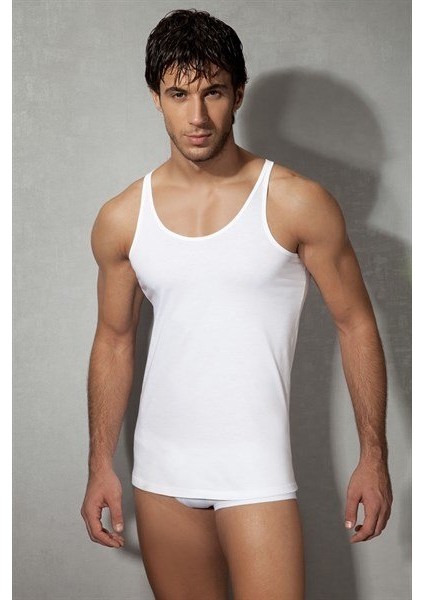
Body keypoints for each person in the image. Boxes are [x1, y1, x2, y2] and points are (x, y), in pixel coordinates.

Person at [80, 8, 393, 599]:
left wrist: (373, 456)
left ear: (239, 94)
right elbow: (113, 341)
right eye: (179, 95)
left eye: (214, 92)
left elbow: (356, 324)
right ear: (156, 99)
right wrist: (99, 465)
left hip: (256, 470)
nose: (197, 116)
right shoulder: (122, 218)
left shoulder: (296, 202)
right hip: (161, 471)